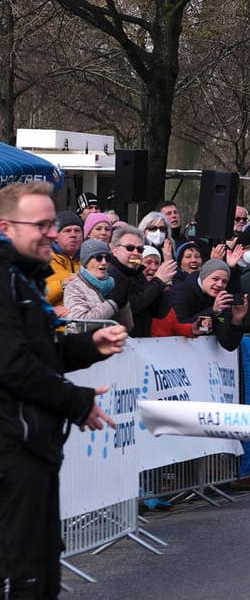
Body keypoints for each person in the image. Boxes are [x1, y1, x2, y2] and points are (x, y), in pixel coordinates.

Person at [0, 181, 128, 599]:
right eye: (39, 225)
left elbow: (44, 353)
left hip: (36, 445)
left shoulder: (25, 280)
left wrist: (88, 347)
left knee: (42, 569)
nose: (51, 233)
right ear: (6, 226)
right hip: (12, 447)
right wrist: (77, 401)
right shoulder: (4, 284)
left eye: (52, 223)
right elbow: (13, 367)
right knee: (26, 576)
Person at [64, 238, 134, 331]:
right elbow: (78, 324)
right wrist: (112, 303)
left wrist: (123, 305)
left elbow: (127, 327)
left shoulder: (112, 284)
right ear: (86, 262)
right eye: (99, 257)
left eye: (108, 258)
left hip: (111, 343)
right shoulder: (74, 287)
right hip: (85, 344)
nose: (104, 262)